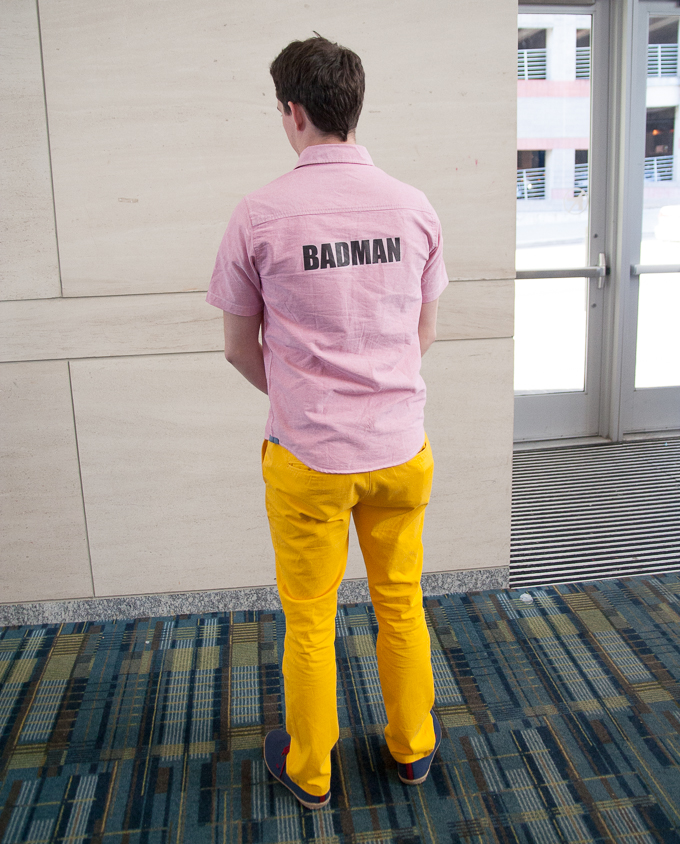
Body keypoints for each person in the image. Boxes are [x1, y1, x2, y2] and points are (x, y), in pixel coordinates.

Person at [206, 35, 449, 810]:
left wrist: (303, 399)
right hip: (401, 449)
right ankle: (414, 748)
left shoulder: (258, 214)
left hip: (309, 458)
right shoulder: (414, 207)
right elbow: (423, 332)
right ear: (353, 107)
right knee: (400, 604)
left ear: (294, 112)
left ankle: (311, 772)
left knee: (311, 621)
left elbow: (238, 348)